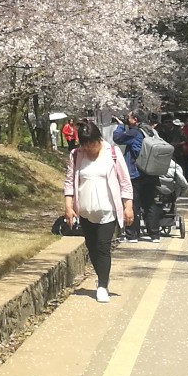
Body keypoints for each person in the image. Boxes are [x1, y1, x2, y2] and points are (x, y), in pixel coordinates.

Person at [63, 119, 134, 303]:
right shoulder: (76, 155)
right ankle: (100, 276)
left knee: (103, 247)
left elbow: (125, 183)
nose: (88, 149)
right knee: (92, 246)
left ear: (98, 139)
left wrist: (128, 207)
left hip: (107, 211)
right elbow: (69, 182)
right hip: (85, 211)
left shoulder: (112, 153)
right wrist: (68, 206)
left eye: (91, 145)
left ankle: (103, 285)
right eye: (84, 146)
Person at [112, 114, 151, 240]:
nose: (127, 119)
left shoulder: (134, 132)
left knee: (132, 203)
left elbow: (117, 138)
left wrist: (120, 126)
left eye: (129, 118)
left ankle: (132, 234)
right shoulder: (148, 130)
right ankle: (149, 232)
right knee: (143, 202)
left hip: (134, 172)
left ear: (135, 119)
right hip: (146, 171)